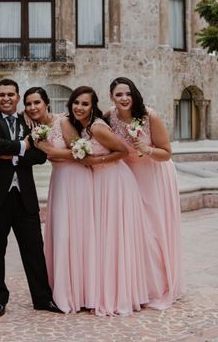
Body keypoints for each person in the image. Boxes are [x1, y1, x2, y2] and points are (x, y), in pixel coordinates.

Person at [0, 79, 61, 317]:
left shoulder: (29, 120)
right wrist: (23, 146)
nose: (6, 98)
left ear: (17, 96)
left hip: (25, 198)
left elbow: (40, 156)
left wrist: (10, 156)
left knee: (34, 250)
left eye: (10, 94)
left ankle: (43, 299)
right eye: (1, 95)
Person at [66, 86, 155, 316]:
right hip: (100, 183)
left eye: (85, 104)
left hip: (114, 181)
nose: (79, 107)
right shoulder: (83, 126)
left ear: (92, 106)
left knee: (115, 237)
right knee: (104, 239)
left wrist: (96, 161)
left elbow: (123, 152)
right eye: (76, 102)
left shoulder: (96, 126)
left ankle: (119, 295)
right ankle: (103, 290)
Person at [108, 77, 184, 309]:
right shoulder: (108, 116)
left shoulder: (149, 116)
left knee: (152, 231)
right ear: (112, 96)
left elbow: (167, 152)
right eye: (119, 94)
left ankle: (156, 286)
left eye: (128, 94)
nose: (124, 99)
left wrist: (148, 150)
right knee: (132, 232)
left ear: (135, 95)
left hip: (152, 174)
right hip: (125, 177)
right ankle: (135, 284)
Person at [24, 87, 96, 314]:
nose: (33, 107)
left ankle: (82, 291)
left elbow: (82, 154)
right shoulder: (36, 129)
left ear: (47, 104)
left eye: (37, 102)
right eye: (28, 104)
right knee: (61, 233)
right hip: (60, 180)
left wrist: (47, 149)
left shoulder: (63, 122)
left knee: (74, 232)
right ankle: (65, 287)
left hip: (76, 180)